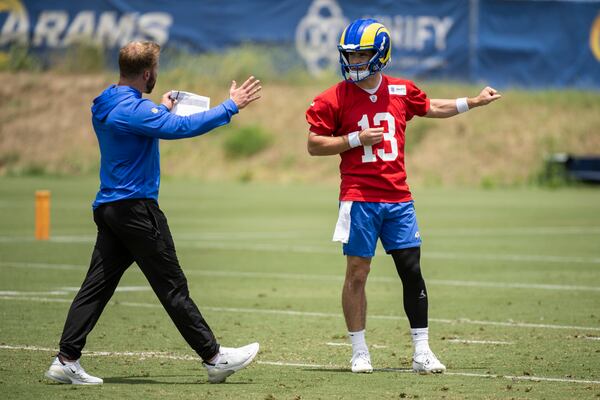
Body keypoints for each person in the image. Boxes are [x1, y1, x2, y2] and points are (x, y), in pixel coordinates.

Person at [45, 41, 262, 385]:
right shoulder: (133, 111)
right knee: (172, 287)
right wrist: (230, 106)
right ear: (148, 73)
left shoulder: (107, 102)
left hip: (110, 209)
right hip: (136, 210)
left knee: (96, 288)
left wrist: (160, 110)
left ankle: (66, 359)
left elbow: (146, 122)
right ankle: (214, 357)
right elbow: (180, 129)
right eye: (155, 72)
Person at [305, 19, 501, 374]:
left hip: (398, 198)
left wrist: (472, 102)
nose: (353, 62)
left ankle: (422, 351)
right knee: (357, 273)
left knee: (412, 272)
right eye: (349, 56)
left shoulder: (400, 90)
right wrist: (354, 140)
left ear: (380, 54)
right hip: (359, 197)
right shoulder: (332, 98)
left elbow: (431, 106)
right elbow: (314, 144)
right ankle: (359, 350)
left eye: (361, 55)